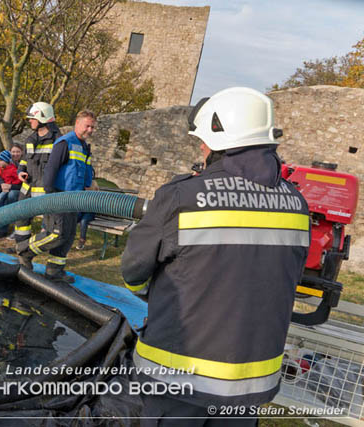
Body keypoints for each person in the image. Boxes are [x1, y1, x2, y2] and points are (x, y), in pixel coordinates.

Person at [120, 87, 310, 425]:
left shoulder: (182, 196)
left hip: (179, 378)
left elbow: (133, 269)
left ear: (218, 141)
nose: (202, 147)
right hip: (249, 384)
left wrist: (151, 292)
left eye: (203, 140)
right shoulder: (297, 205)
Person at [17, 110, 96, 283]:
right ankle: (25, 252)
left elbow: (87, 171)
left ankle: (54, 270)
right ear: (77, 124)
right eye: (87, 126)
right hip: (59, 197)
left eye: (92, 127)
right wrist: (50, 196)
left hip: (75, 199)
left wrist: (91, 185)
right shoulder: (65, 143)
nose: (90, 130)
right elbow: (50, 171)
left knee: (67, 237)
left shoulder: (84, 147)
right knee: (56, 234)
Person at [13, 102, 61, 246]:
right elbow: (24, 160)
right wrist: (20, 171)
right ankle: (21, 246)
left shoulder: (58, 140)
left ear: (42, 118)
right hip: (27, 188)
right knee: (21, 219)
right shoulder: (30, 139)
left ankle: (34, 249)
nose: (30, 121)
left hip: (46, 191)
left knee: (48, 225)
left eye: (32, 118)